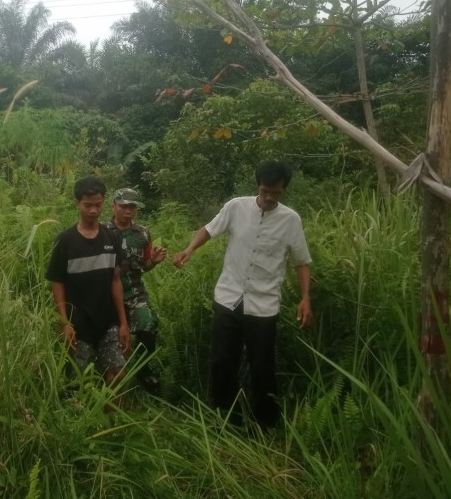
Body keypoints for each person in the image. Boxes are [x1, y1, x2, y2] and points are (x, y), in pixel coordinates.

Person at [173, 161, 312, 429]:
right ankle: (225, 418)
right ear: (257, 185)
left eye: (276, 193)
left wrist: (306, 298)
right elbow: (209, 229)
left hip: (264, 305)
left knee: (262, 366)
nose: (270, 197)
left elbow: (301, 262)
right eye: (265, 191)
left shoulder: (290, 220)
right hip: (228, 297)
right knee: (221, 361)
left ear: (284, 190)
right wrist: (189, 249)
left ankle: (265, 424)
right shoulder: (236, 207)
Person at [46, 176, 131, 386]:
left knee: (118, 377)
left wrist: (123, 323)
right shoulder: (65, 241)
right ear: (77, 203)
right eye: (88, 205)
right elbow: (57, 283)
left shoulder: (111, 238)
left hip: (107, 322)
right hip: (79, 325)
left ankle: (115, 419)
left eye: (98, 205)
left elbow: (115, 281)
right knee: (79, 384)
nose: (93, 210)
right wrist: (64, 323)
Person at [105, 188, 167, 394]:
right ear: (113, 206)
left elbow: (144, 265)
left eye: (132, 207)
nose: (128, 211)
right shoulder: (102, 231)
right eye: (123, 206)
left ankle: (142, 367)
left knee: (148, 325)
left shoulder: (143, 233)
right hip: (105, 293)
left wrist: (154, 262)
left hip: (134, 292)